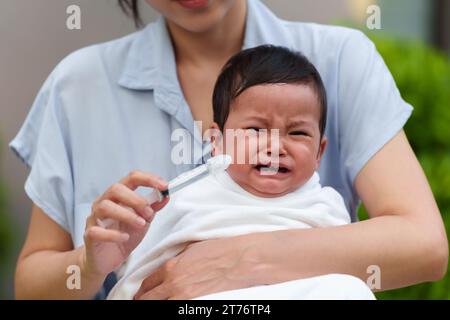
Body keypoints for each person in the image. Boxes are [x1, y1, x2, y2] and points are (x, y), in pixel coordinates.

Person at [11, 0, 447, 300]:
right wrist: (91, 265)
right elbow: (31, 284)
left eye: (297, 133)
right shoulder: (77, 87)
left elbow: (423, 245)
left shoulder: (340, 60)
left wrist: (240, 260)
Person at [108, 45, 376, 300]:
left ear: (319, 152)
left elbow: (336, 267)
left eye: (298, 133)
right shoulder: (189, 196)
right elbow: (141, 269)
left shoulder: (326, 206)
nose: (275, 146)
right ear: (216, 141)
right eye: (256, 130)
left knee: (350, 288)